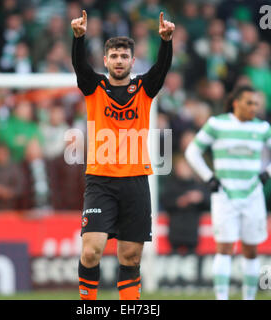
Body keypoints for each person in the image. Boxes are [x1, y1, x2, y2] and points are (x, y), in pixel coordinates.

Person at [71, 10, 174, 300]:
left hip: (135, 182)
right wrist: (78, 38)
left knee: (130, 257)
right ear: (105, 60)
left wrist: (166, 41)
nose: (119, 61)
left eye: (124, 56)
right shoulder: (94, 87)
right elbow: (80, 67)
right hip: (100, 181)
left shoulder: (143, 88)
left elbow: (161, 70)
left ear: (131, 60)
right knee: (91, 250)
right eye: (114, 56)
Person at [185, 85, 271, 300]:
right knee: (224, 248)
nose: (254, 107)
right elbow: (192, 151)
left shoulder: (261, 127)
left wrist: (267, 173)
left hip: (252, 196)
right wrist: (208, 177)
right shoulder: (217, 124)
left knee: (251, 250)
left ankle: (248, 298)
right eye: (249, 103)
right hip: (225, 196)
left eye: (256, 104)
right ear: (236, 103)